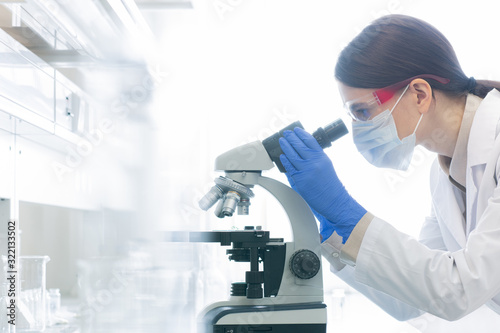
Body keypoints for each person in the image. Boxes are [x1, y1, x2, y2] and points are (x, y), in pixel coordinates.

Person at [278, 14, 500, 331]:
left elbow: (459, 290)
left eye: (363, 111)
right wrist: (336, 228)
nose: (358, 127)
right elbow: (415, 299)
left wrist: (346, 211)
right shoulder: (444, 173)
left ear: (420, 94)